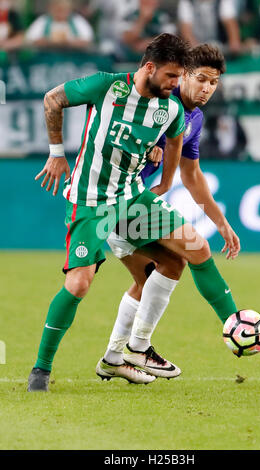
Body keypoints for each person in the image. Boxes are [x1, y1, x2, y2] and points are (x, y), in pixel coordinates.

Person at [100, 44, 260, 380]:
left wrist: (222, 223)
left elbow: (192, 176)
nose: (207, 88)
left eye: (213, 83)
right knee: (197, 248)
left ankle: (114, 357)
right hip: (115, 197)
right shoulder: (158, 104)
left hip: (128, 202)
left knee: (160, 272)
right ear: (182, 74)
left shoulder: (194, 118)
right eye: (201, 79)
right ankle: (229, 324)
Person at [27, 33, 192, 391]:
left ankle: (127, 355)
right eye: (169, 75)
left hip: (132, 198)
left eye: (179, 77)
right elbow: (52, 99)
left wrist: (162, 174)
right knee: (79, 283)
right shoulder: (107, 87)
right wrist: (57, 152)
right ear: (148, 67)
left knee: (181, 258)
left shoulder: (169, 107)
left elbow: (176, 135)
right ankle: (41, 369)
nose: (175, 83)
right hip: (91, 200)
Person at [25, 0, 94, 51]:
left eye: (63, 10)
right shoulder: (43, 20)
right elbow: (31, 40)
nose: (60, 13)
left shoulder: (77, 20)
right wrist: (50, 42)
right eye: (58, 10)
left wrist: (68, 42)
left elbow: (87, 41)